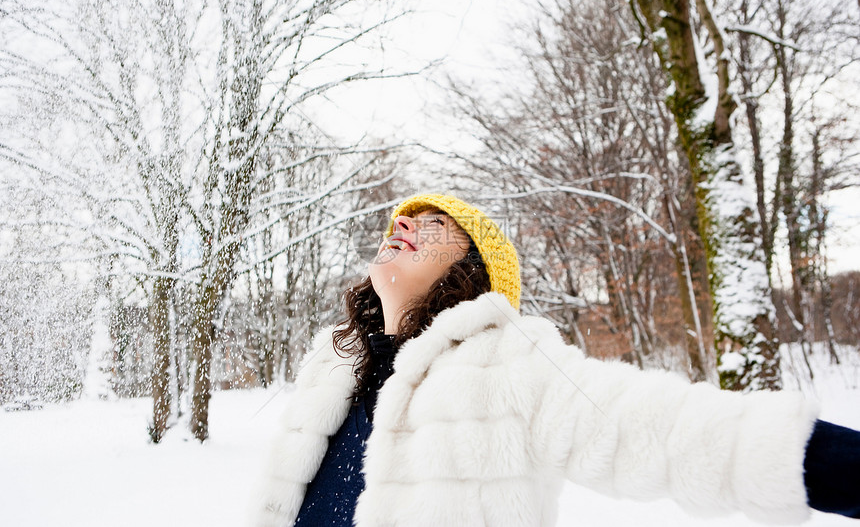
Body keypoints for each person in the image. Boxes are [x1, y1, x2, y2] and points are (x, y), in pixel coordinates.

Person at [252, 193, 860, 527]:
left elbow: (663, 432)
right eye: (402, 218)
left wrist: (839, 465)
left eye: (433, 222)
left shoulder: (506, 368)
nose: (405, 222)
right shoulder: (331, 370)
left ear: (471, 274)